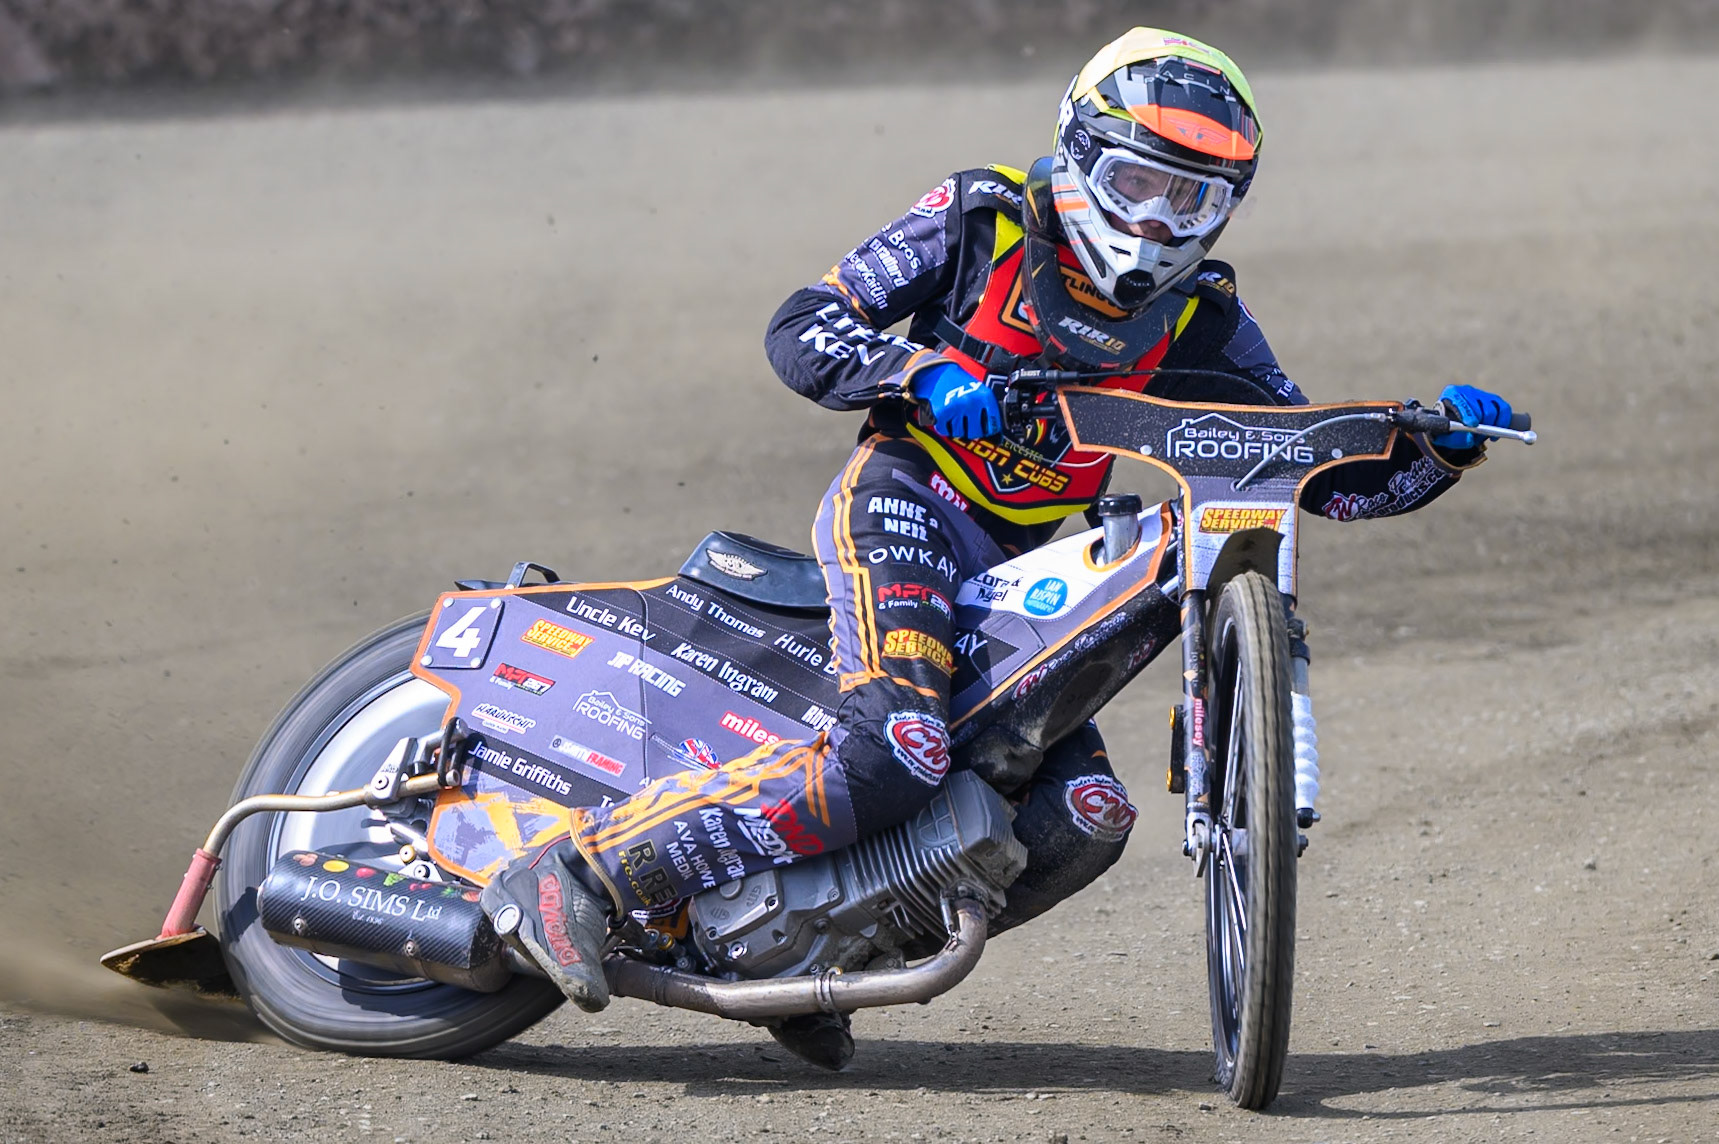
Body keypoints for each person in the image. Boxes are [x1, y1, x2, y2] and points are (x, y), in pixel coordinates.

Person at [481, 27, 1516, 1069]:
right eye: (1137, 182)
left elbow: (1298, 465)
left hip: (1022, 571)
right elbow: (804, 325)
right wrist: (922, 374)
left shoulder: (1201, 320)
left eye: (1191, 201)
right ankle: (583, 871)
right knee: (895, 747)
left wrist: (1439, 451)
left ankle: (820, 959)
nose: (1158, 222)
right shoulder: (982, 219)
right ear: (1075, 152)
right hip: (905, 504)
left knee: (1090, 817)